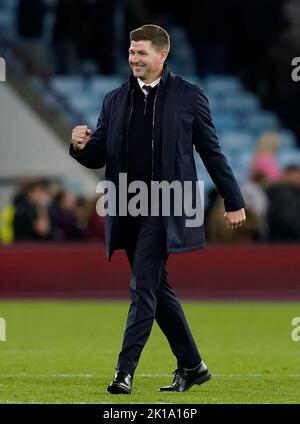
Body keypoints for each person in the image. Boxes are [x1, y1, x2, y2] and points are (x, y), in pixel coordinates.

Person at [70, 24, 246, 394]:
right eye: (131, 53)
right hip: (126, 205)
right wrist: (80, 146)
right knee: (156, 289)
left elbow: (211, 151)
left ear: (162, 55)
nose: (134, 59)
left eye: (141, 53)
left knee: (143, 288)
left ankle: (124, 371)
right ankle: (193, 365)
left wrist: (233, 200)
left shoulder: (189, 97)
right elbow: (99, 154)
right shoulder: (115, 99)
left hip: (168, 206)